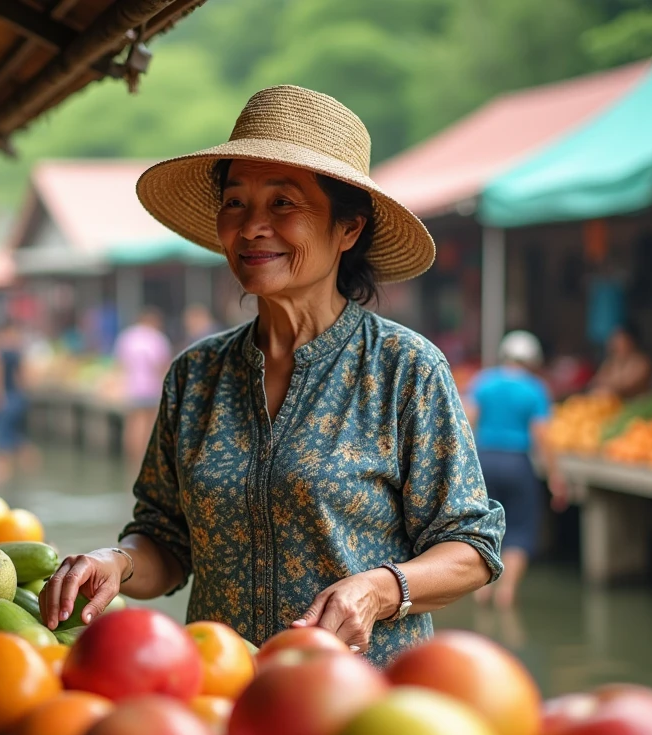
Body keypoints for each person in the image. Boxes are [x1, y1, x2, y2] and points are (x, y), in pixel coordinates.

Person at [40, 85, 504, 665]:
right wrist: (116, 561)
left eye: (283, 203)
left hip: (364, 707)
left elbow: (472, 546)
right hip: (221, 698)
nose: (253, 226)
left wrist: (379, 589)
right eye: (235, 203)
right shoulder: (195, 376)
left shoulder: (406, 370)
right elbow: (165, 540)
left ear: (348, 229)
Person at [463, 331, 567, 610]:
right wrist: (556, 476)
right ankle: (506, 594)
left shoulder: (484, 382)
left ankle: (482, 592)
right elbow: (541, 435)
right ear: (532, 360)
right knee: (519, 528)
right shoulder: (535, 389)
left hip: (484, 462)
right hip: (518, 464)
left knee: (484, 526)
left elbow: (466, 422)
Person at [0, 319, 36, 484]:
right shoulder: (18, 350)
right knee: (20, 439)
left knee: (0, 444)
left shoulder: (0, 351)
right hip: (18, 398)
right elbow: (24, 377)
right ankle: (26, 476)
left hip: (6, 400)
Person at [114, 307, 174, 464]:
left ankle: (131, 458)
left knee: (132, 423)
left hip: (131, 387)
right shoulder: (156, 338)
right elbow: (162, 365)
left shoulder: (127, 336)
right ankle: (144, 457)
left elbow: (120, 363)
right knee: (147, 424)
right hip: (150, 387)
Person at [590, 323, 652, 400]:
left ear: (631, 341)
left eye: (620, 340)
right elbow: (596, 382)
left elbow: (628, 387)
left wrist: (608, 388)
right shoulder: (611, 363)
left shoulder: (642, 362)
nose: (616, 344)